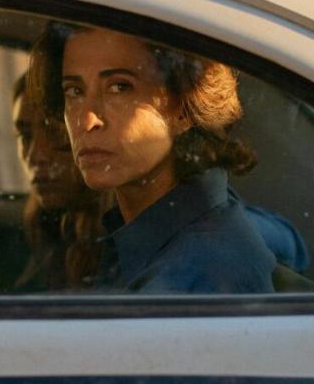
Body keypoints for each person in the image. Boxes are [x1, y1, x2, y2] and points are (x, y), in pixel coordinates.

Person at [31, 24, 275, 294]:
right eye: (74, 91)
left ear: (183, 107)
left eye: (119, 87)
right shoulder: (168, 233)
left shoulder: (197, 269)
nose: (86, 120)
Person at [11, 73, 109, 290]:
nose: (36, 156)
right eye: (25, 136)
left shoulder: (119, 245)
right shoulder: (44, 230)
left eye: (58, 133)